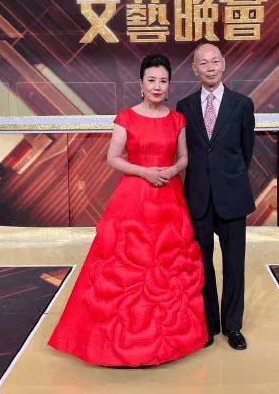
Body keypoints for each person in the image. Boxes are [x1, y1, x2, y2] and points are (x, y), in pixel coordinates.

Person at [48, 54, 207, 367]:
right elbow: (113, 158)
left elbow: (184, 157)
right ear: (141, 84)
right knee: (125, 263)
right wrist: (145, 172)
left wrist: (172, 169)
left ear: (169, 85)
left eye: (163, 81)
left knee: (166, 265)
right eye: (152, 80)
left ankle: (165, 343)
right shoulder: (126, 117)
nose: (157, 86)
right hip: (134, 196)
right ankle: (115, 344)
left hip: (168, 197)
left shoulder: (177, 119)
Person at [176, 43, 256, 351]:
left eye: (214, 61)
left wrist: (228, 177)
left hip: (232, 195)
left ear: (223, 64)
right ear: (194, 69)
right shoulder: (184, 106)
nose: (209, 67)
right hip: (198, 197)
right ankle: (208, 325)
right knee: (202, 265)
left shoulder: (242, 104)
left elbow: (246, 151)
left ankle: (232, 326)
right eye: (203, 63)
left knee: (234, 264)